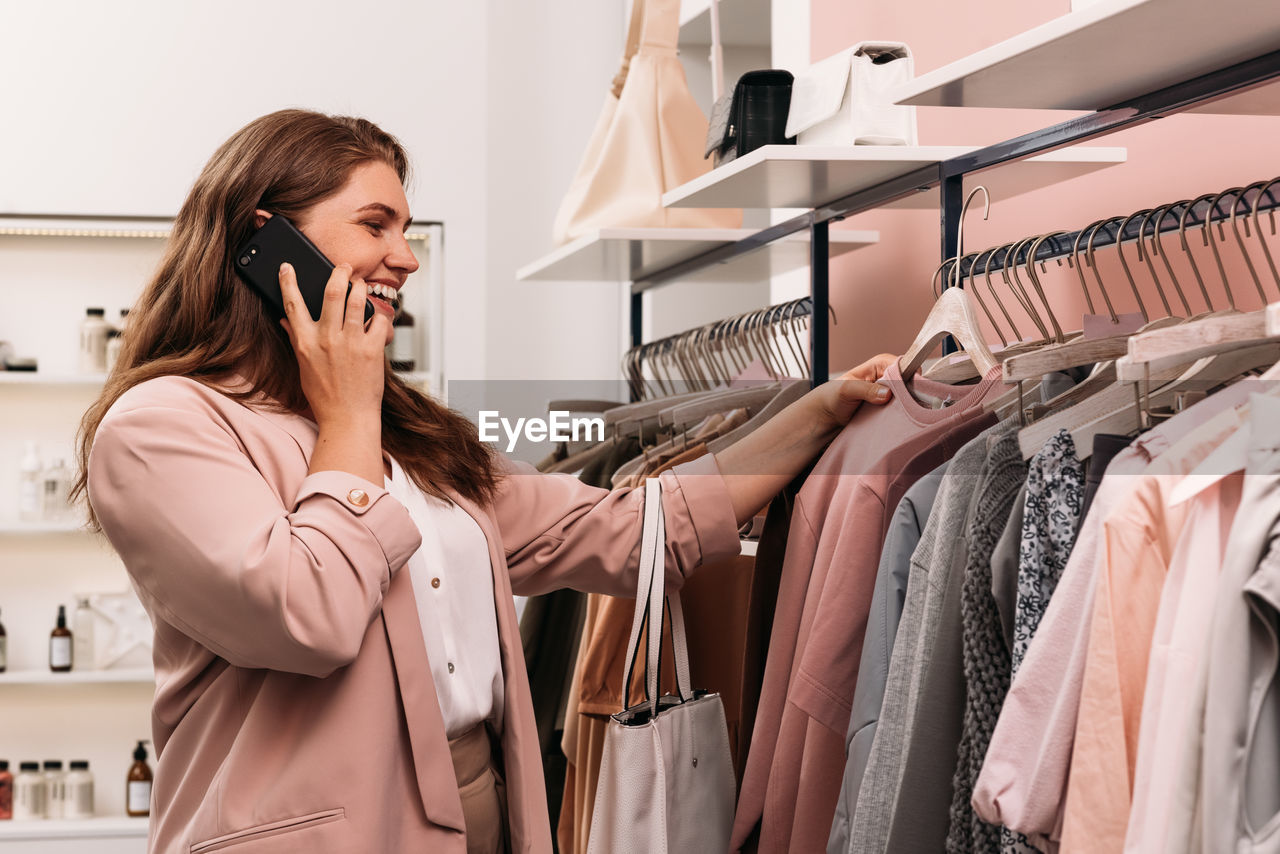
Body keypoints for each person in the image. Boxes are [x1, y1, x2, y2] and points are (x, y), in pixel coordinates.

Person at [74, 109, 896, 854]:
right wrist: (349, 414)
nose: (405, 256)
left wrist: (814, 415)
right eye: (374, 225)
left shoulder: (413, 436)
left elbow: (624, 532)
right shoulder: (162, 427)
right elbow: (307, 614)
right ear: (265, 242)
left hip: (477, 812)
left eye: (405, 228)